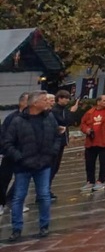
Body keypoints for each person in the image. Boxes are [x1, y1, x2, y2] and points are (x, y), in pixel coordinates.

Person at [1, 91, 59, 241]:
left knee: (44, 196)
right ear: (34, 103)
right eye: (45, 100)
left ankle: (44, 226)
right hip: (23, 166)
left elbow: (56, 136)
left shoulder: (49, 118)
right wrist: (19, 157)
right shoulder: (17, 121)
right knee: (19, 197)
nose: (48, 102)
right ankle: (16, 229)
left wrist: (52, 153)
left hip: (43, 165)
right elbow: (7, 142)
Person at [79, 95, 105, 192]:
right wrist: (87, 130)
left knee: (104, 163)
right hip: (91, 143)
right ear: (98, 102)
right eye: (104, 100)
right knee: (89, 163)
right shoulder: (90, 112)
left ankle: (100, 181)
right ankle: (90, 181)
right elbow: (83, 124)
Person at [0, 93, 30, 216]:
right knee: (3, 179)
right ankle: (1, 202)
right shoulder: (12, 118)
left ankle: (13, 201)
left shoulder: (33, 118)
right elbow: (4, 135)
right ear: (22, 102)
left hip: (25, 154)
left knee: (22, 179)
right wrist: (7, 150)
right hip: (9, 154)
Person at [49, 90, 79, 200]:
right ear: (59, 98)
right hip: (56, 142)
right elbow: (65, 121)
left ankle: (47, 189)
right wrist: (72, 112)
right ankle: (45, 190)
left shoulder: (62, 109)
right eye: (65, 98)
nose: (67, 100)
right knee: (52, 166)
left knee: (55, 167)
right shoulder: (56, 110)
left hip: (61, 142)